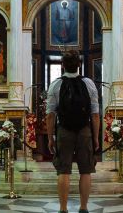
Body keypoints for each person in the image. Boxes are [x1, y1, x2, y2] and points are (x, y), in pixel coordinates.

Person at [46, 52, 100, 213]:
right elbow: (95, 114)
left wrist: (50, 138)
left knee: (63, 171)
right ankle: (83, 208)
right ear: (79, 65)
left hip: (64, 130)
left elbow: (50, 115)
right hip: (84, 130)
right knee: (86, 171)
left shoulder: (55, 84)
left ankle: (63, 209)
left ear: (62, 65)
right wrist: (96, 137)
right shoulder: (89, 83)